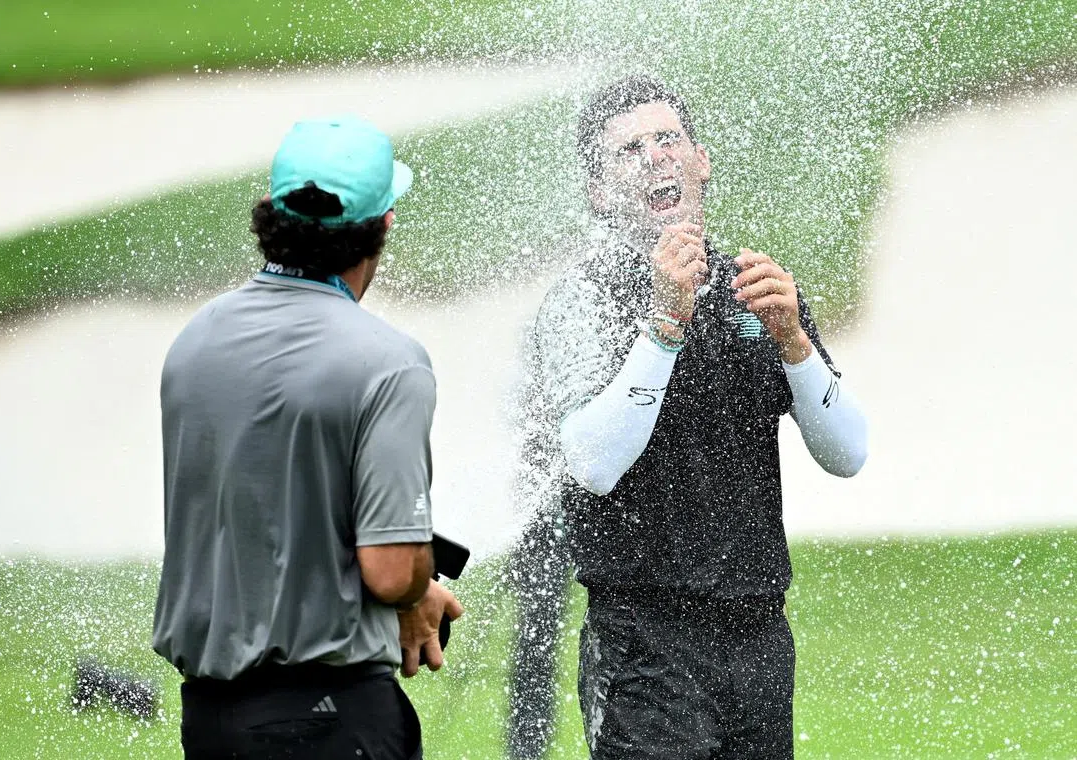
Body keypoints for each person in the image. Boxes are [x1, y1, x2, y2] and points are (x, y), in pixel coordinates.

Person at [506, 76, 868, 759]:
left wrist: (794, 342)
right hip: (642, 644)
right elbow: (594, 463)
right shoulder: (583, 301)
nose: (655, 157)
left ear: (700, 161)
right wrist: (666, 322)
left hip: (759, 635)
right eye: (629, 150)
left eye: (668, 139)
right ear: (600, 192)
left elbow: (848, 453)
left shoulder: (754, 288)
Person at [152, 115, 463, 759]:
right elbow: (390, 570)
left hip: (211, 722)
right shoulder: (390, 362)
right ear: (384, 224)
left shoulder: (197, 339)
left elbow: (265, 520)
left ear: (271, 211)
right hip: (330, 721)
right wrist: (418, 585)